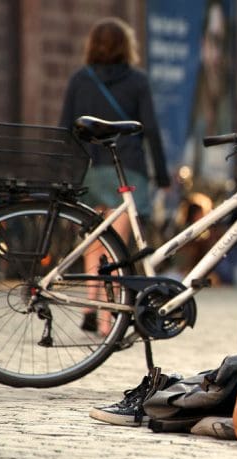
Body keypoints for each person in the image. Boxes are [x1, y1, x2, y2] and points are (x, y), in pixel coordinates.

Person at [59, 17, 171, 333]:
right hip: (128, 169)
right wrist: (161, 174)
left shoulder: (80, 79)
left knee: (94, 243)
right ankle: (109, 322)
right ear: (127, 46)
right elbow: (150, 129)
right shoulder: (138, 81)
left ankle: (90, 307)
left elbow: (65, 127)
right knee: (117, 248)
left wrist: (66, 172)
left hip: (91, 170)